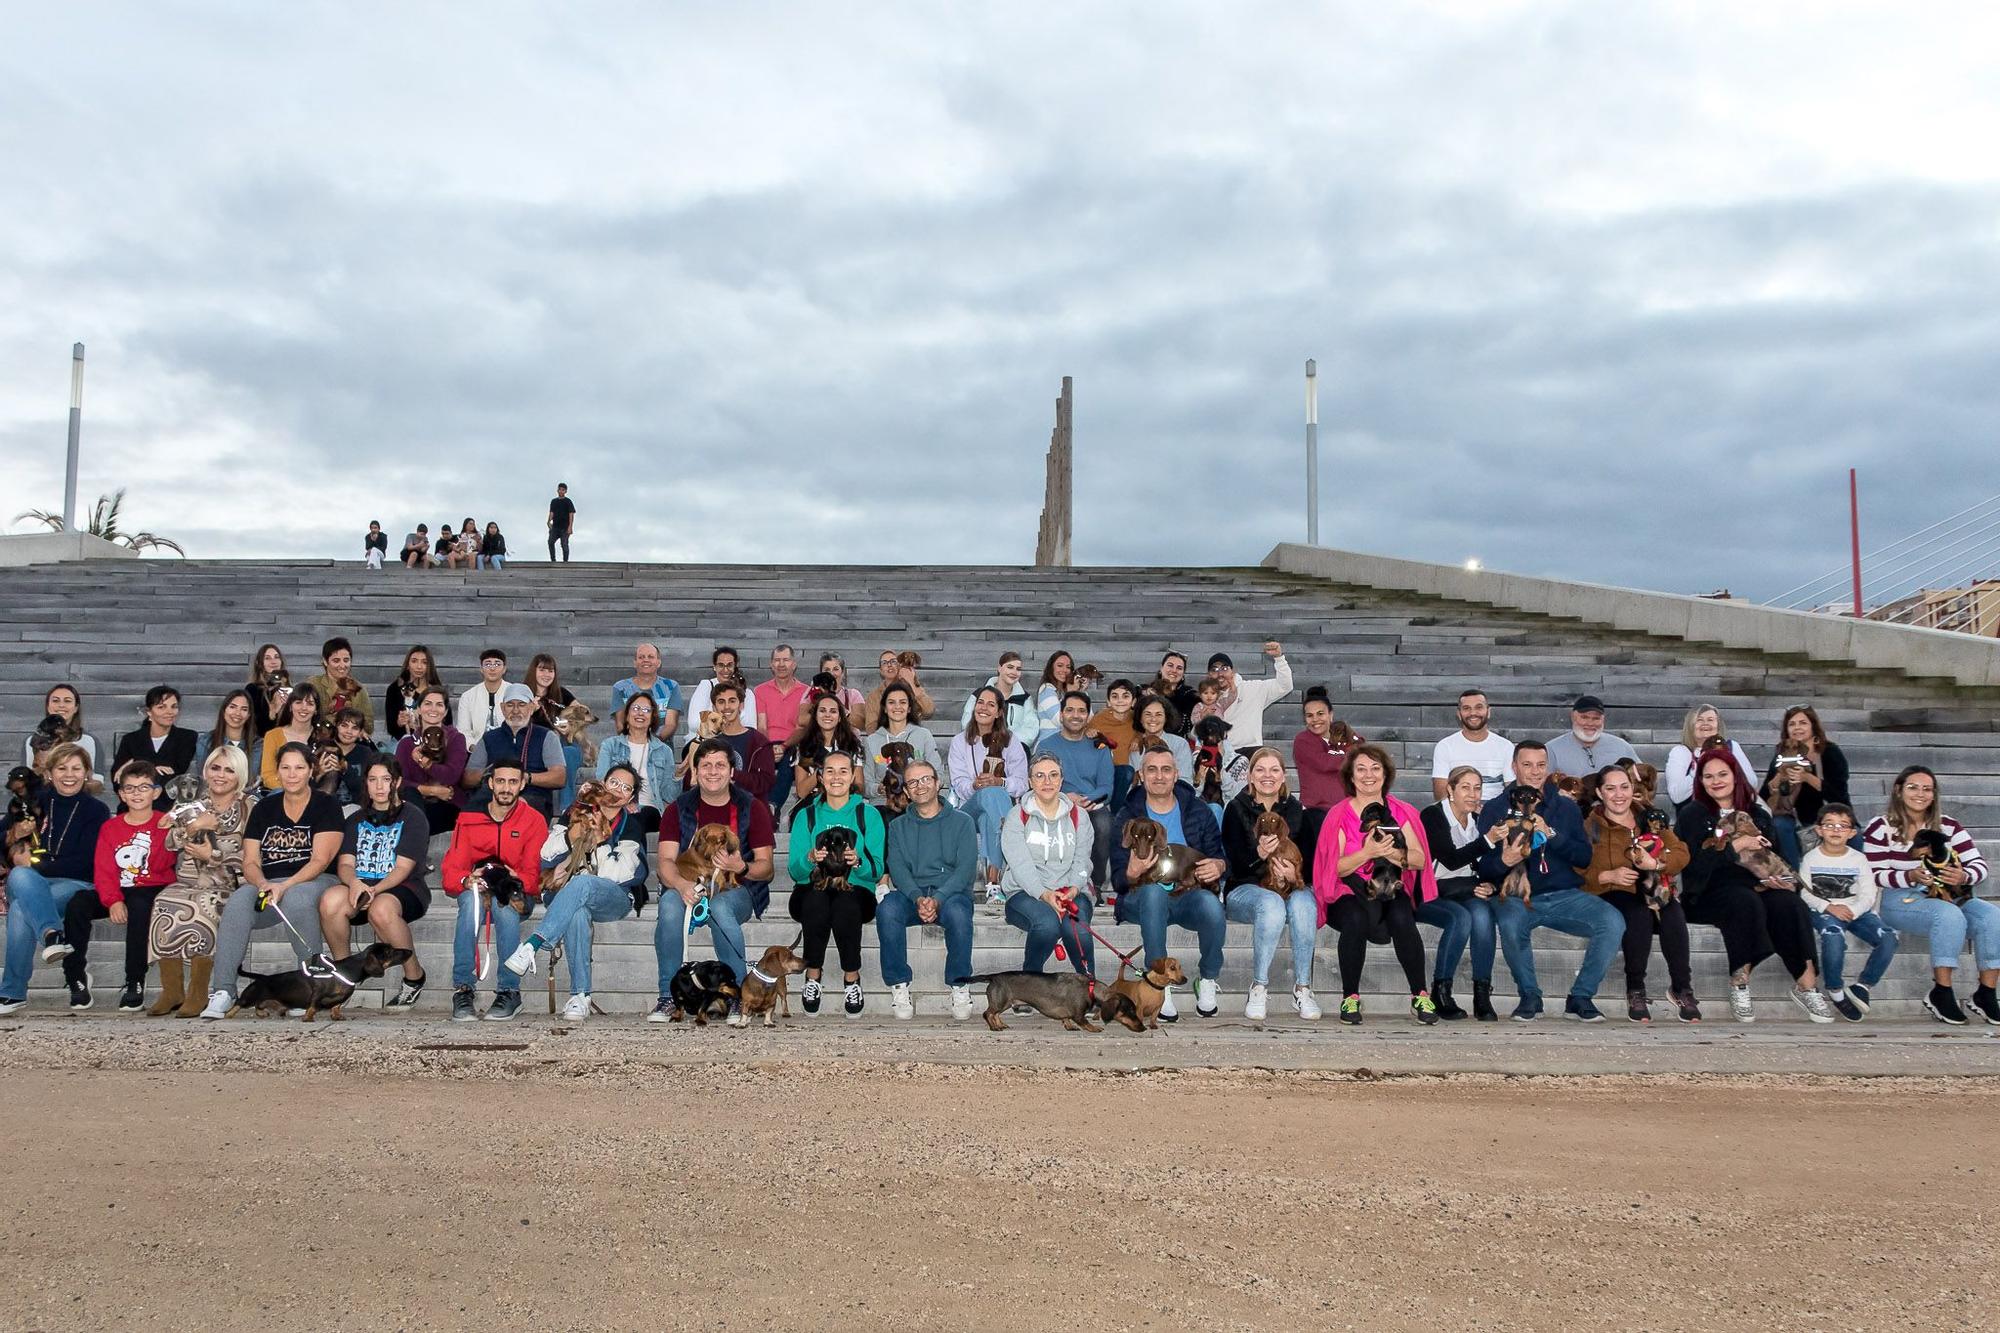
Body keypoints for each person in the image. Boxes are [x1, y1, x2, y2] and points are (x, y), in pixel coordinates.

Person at [1675, 749, 1835, 1023]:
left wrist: (1779, 880)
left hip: (1757, 884)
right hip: (1707, 891)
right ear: (1700, 781)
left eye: (1722, 774)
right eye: (1708, 776)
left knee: (1789, 904)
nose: (1716, 781)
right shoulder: (1693, 814)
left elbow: (1778, 855)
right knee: (1744, 902)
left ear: (1735, 776)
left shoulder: (1757, 812)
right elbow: (1692, 866)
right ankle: (1740, 982)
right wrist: (1737, 845)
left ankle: (1806, 985)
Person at [1474, 741, 1624, 1022]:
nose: (1534, 772)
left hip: (1564, 893)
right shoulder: (1495, 809)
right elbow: (1482, 868)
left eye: (1541, 765)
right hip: (1517, 896)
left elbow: (1583, 858)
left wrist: (1552, 834)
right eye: (1527, 765)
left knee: (1612, 920)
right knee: (1509, 922)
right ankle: (1530, 995)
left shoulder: (1566, 807)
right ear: (1514, 767)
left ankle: (1581, 997)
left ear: (1549, 768)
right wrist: (1503, 861)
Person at [198, 742, 345, 1019]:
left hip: (317, 880)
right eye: (285, 768)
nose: (292, 774)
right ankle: (223, 991)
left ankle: (310, 987)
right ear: (277, 771)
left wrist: (284, 886)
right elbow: (250, 861)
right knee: (240, 900)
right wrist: (264, 884)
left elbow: (320, 860)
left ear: (311, 770)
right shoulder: (264, 808)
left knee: (298, 899)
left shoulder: (327, 805)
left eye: (299, 768)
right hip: (271, 881)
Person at [502, 767, 649, 1020]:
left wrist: (597, 841)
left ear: (631, 797)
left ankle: (532, 945)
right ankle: (580, 996)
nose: (617, 790)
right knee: (578, 911)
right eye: (613, 782)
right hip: (570, 895)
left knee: (583, 884)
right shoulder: (574, 813)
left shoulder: (632, 824)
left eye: (626, 787)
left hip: (613, 897)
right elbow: (546, 854)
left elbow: (622, 873)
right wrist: (574, 837)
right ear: (602, 784)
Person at [1313, 743, 1440, 1026]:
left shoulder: (1403, 811)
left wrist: (1391, 853)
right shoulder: (1339, 814)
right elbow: (1335, 868)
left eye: (1375, 768)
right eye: (1361, 769)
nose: (1368, 775)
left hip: (1390, 888)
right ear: (1351, 776)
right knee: (1355, 918)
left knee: (1402, 915)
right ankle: (1350, 997)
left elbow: (1419, 859)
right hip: (1348, 890)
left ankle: (1420, 994)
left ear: (1385, 774)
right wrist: (1368, 853)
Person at [650, 740, 777, 1021]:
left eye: (720, 765)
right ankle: (668, 997)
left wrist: (740, 866)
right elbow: (665, 863)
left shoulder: (752, 807)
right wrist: (682, 886)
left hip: (738, 889)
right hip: (687, 885)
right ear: (695, 772)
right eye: (705, 765)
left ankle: (737, 997)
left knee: (720, 906)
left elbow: (766, 869)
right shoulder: (678, 808)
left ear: (732, 771)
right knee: (670, 904)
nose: (713, 771)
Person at [1864, 766, 1994, 1025]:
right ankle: (1941, 992)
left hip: (1948, 893)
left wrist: (1963, 876)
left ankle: (1986, 994)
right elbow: (1873, 873)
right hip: (1898, 898)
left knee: (1992, 916)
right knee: (1948, 914)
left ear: (1934, 795)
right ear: (1899, 790)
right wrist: (1910, 876)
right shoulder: (1881, 827)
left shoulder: (1949, 826)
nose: (1920, 794)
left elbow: (1980, 866)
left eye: (1927, 789)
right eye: (1913, 787)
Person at [1109, 744, 1228, 1020]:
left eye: (1166, 770)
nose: (1159, 776)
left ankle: (1208, 979)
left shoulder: (1198, 810)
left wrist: (1219, 866)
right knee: (1153, 894)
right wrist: (1132, 871)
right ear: (1142, 774)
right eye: (1152, 770)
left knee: (1211, 905)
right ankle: (1160, 985)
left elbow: (1219, 856)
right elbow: (1118, 881)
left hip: (1186, 896)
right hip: (1140, 900)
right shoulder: (1126, 816)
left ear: (1176, 775)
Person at [0, 746, 111, 1013]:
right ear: (49, 773)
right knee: (22, 876)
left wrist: (37, 866)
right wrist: (14, 832)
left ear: (86, 773)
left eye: (76, 768)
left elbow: (85, 862)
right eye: (61, 768)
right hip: (31, 882)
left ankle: (13, 992)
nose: (69, 775)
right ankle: (52, 934)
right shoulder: (34, 802)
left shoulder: (96, 810)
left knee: (19, 905)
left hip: (76, 882)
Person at [1581, 764, 1695, 1023]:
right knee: (1637, 913)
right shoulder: (1589, 826)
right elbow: (1576, 867)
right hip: (1614, 892)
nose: (1618, 794)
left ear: (1633, 789)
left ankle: (1682, 988)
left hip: (1652, 888)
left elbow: (1681, 852)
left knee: (1674, 912)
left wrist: (1656, 864)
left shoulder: (1650, 819)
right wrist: (1605, 876)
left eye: (1624, 787)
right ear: (1600, 792)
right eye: (1610, 788)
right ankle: (1635, 989)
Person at [145, 745, 252, 1016]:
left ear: (239, 775)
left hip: (227, 882)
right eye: (215, 768)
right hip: (188, 879)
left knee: (202, 907)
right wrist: (194, 826)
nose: (220, 775)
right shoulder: (191, 801)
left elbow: (251, 854)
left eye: (229, 770)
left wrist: (213, 854)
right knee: (164, 900)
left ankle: (199, 991)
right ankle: (172, 991)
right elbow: (170, 842)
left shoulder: (249, 807)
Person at [316, 756, 431, 1007]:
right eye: (373, 780)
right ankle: (344, 973)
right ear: (365, 784)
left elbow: (403, 867)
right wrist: (356, 884)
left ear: (397, 782)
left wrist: (374, 890)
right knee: (330, 901)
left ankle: (414, 977)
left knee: (381, 909)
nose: (379, 787)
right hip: (362, 884)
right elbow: (345, 864)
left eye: (386, 779)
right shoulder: (356, 820)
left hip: (403, 888)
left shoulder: (413, 817)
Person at [439, 757, 547, 1022]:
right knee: (469, 903)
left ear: (522, 784)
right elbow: (452, 869)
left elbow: (534, 877)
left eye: (513, 781)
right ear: (490, 783)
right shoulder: (468, 818)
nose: (506, 788)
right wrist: (466, 880)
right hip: (480, 886)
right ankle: (463, 989)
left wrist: (515, 876)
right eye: (500, 781)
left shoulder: (534, 820)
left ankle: (509, 990)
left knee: (506, 908)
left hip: (516, 890)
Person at [1219, 747, 1322, 1020]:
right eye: (1260, 770)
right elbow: (1233, 864)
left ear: (1283, 776)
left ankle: (1303, 988)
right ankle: (1259, 985)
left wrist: (1295, 875)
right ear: (1250, 776)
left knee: (1304, 904)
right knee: (1271, 903)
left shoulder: (1296, 809)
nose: (1268, 776)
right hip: (1245, 888)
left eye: (1274, 770)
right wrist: (1259, 855)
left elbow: (1311, 861)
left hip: (1290, 886)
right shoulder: (1235, 808)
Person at [787, 750, 886, 1016]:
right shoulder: (805, 815)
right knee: (817, 900)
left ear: (853, 775)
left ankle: (851, 979)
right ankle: (813, 976)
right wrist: (810, 859)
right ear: (820, 776)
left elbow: (877, 869)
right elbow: (795, 871)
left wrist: (859, 862)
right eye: (830, 771)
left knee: (845, 903)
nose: (836, 777)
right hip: (811, 889)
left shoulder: (869, 815)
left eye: (843, 771)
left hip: (857, 890)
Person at [879, 760, 977, 1020]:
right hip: (913, 894)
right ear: (907, 792)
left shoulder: (963, 822)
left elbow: (965, 869)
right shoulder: (898, 827)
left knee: (958, 914)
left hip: (951, 893)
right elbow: (897, 869)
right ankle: (899, 984)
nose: (920, 786)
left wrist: (939, 898)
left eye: (925, 779)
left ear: (937, 782)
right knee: (887, 908)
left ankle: (959, 983)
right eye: (912, 782)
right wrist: (919, 897)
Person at [1000, 753, 1098, 979]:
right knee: (1047, 924)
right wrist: (1044, 894)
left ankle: (1089, 986)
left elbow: (1083, 860)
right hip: (1025, 893)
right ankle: (1029, 986)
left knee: (1077, 929)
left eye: (1053, 775)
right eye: (1040, 776)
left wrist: (1073, 888)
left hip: (1072, 892)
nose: (1047, 782)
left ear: (1061, 780)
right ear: (1030, 782)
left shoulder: (1079, 816)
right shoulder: (1018, 816)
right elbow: (1019, 864)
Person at [1800, 802, 1895, 1023]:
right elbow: (1805, 893)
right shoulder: (1811, 858)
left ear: (1852, 832)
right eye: (1829, 825)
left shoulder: (1858, 859)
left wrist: (1853, 910)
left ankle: (1862, 986)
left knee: (1888, 937)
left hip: (1856, 910)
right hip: (1824, 910)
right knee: (1833, 936)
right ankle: (1835, 990)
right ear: (1819, 830)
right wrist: (1829, 907)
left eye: (1843, 826)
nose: (1835, 830)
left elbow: (1869, 893)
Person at [1419, 766, 1502, 1021]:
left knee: (1483, 915)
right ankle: (1440, 992)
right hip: (1430, 892)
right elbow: (1451, 859)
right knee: (1461, 918)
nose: (1473, 794)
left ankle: (1482, 994)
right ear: (1450, 790)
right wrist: (1487, 840)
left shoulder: (1479, 819)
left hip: (1464, 890)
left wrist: (1492, 885)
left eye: (1477, 788)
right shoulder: (1433, 815)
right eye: (1465, 787)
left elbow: (1491, 864)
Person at [949, 686, 1028, 896]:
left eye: (991, 704)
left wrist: (999, 782)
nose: (983, 708)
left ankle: (993, 882)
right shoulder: (959, 742)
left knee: (988, 815)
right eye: (980, 702)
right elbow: (958, 784)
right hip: (968, 809)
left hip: (996, 809)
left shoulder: (1011, 741)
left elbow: (1022, 783)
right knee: (989, 794)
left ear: (999, 712)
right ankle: (1008, 853)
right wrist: (976, 785)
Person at [1033, 691, 1113, 889]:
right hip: (1054, 802)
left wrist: (1084, 799)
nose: (1075, 715)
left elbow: (1106, 787)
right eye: (1069, 710)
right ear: (1061, 715)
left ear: (1088, 716)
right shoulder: (1046, 746)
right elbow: (1039, 781)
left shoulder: (1100, 747)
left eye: (1081, 711)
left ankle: (1095, 883)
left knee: (1103, 824)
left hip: (1091, 804)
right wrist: (1064, 798)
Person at [1761, 705, 1850, 868]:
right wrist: (1777, 781)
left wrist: (1807, 777)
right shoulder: (1783, 754)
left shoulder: (1830, 752)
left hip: (1825, 815)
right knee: (1779, 825)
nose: (1797, 728)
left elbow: (1839, 795)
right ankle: (1794, 877)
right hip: (1791, 815)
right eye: (1792, 724)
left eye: (1803, 723)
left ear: (1813, 726)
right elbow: (1764, 795)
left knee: (1854, 836)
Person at [463, 684, 567, 819]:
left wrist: (526, 777)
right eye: (510, 705)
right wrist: (491, 774)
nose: (516, 710)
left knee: (519, 807)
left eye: (522, 704)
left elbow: (559, 777)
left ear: (531, 708)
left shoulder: (546, 736)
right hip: (493, 796)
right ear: (502, 708)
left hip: (533, 797)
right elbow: (467, 778)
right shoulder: (489, 738)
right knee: (470, 812)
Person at [596, 693, 675, 834]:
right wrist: (624, 803)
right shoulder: (610, 745)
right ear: (626, 715)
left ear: (653, 717)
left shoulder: (664, 751)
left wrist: (682, 774)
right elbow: (602, 781)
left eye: (646, 710)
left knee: (638, 817)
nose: (640, 713)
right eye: (635, 708)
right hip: (615, 805)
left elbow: (669, 795)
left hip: (650, 810)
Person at [862, 681, 948, 807]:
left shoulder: (923, 735)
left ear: (909, 708)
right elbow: (865, 782)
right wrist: (879, 789)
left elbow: (938, 775)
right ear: (885, 708)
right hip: (884, 804)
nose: (897, 707)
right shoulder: (872, 740)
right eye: (891, 702)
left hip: (918, 803)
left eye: (902, 702)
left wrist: (922, 786)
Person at [395, 686, 468, 834]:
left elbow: (451, 776)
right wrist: (432, 790)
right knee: (409, 798)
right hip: (416, 803)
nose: (433, 709)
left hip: (448, 805)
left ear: (446, 711)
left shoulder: (456, 739)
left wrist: (425, 763)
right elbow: (400, 781)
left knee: (413, 819)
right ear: (419, 709)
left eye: (439, 704)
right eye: (428, 703)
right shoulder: (406, 744)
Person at [111, 685, 197, 809]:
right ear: (149, 711)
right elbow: (118, 781)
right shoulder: (131, 739)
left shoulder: (186, 737)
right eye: (162, 707)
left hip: (167, 810)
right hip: (131, 810)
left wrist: (134, 764)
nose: (169, 712)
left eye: (174, 706)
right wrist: (155, 768)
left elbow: (175, 774)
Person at [1664, 705, 1757, 809]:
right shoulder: (1680, 752)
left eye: (1710, 720)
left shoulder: (1732, 746)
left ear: (1718, 725)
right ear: (1690, 725)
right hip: (1696, 815)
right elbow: (1676, 796)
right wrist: (1701, 765)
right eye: (1699, 720)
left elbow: (1751, 782)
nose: (1705, 724)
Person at [752, 644, 808, 813]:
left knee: (791, 759)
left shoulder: (806, 692)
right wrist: (769, 747)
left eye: (786, 660)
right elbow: (761, 725)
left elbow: (801, 728)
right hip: (767, 741)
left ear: (794, 664)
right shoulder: (760, 690)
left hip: (793, 742)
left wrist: (783, 747)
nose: (781, 664)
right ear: (771, 664)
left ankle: (772, 806)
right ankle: (762, 808)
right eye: (777, 660)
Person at [1206, 642, 1292, 751]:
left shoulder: (1252, 688)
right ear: (1208, 675)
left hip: (1250, 751)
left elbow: (1284, 686)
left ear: (1232, 671)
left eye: (1224, 668)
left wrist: (1279, 658)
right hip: (1221, 755)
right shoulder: (1206, 700)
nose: (1220, 674)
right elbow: (1195, 734)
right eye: (1214, 670)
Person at [1431, 688, 1513, 802]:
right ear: (1459, 714)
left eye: (1479, 707)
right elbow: (1441, 795)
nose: (1473, 713)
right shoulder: (1445, 746)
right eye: (1466, 708)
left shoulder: (1506, 747)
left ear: (1488, 711)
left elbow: (1511, 790)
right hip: (1458, 813)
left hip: (1495, 814)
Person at [791, 690, 866, 808]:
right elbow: (801, 791)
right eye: (822, 711)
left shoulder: (852, 745)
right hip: (813, 803)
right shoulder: (804, 747)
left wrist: (840, 781)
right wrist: (821, 771)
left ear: (840, 717)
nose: (827, 715)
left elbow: (860, 787)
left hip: (845, 802)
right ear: (815, 716)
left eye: (833, 711)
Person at [703, 680, 775, 802]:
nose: (727, 707)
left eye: (732, 701)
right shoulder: (708, 743)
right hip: (716, 808)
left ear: (741, 705)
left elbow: (765, 783)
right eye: (721, 702)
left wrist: (732, 773)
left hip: (749, 810)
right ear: (714, 707)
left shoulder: (759, 743)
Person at [526, 653, 580, 810]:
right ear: (533, 671)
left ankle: (566, 809)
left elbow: (581, 715)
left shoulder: (561, 693)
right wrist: (528, 711)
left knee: (569, 753)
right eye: (542, 670)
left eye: (550, 671)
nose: (546, 675)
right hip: (535, 745)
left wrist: (570, 726)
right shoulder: (523, 693)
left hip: (564, 743)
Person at [1543, 695, 1638, 777]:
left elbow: (1643, 779)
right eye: (1584, 717)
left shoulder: (1622, 747)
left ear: (1603, 720)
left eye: (1596, 718)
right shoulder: (1552, 749)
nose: (1590, 723)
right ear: (1573, 717)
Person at [958, 651, 1039, 747]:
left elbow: (1031, 728)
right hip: (982, 746)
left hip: (1014, 748)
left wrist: (1007, 741)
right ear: (999, 668)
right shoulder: (979, 695)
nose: (1014, 672)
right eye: (1010, 667)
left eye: (1018, 669)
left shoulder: (1024, 698)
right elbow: (967, 721)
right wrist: (987, 739)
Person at [608, 643, 682, 742]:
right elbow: (620, 725)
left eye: (650, 657)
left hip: (661, 747)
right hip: (629, 746)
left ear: (659, 662)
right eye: (641, 657)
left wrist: (651, 744)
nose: (646, 660)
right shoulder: (620, 688)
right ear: (635, 662)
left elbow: (670, 724)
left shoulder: (671, 687)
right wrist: (637, 744)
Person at [191, 688, 262, 789]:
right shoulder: (206, 740)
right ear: (224, 710)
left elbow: (250, 778)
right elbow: (204, 776)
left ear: (249, 715)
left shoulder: (258, 744)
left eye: (244, 709)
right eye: (233, 707)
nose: (237, 713)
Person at [1088, 679, 1140, 812]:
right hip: (1102, 771)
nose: (1120, 700)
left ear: (1133, 701)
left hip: (1123, 771)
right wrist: (1090, 732)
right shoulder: (1100, 718)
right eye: (1115, 696)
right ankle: (1114, 812)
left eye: (1126, 696)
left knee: (1127, 772)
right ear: (1108, 701)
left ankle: (1115, 812)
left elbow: (1143, 732)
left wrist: (1138, 739)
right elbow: (1087, 734)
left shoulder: (1136, 719)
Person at [303, 637, 373, 735]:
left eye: (346, 660)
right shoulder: (313, 684)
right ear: (325, 661)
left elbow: (369, 726)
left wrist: (355, 726)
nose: (342, 665)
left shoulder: (359, 689)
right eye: (336, 661)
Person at [23, 683, 98, 772]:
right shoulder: (32, 741)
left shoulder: (87, 740)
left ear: (76, 708)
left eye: (67, 701)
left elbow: (94, 777)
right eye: (55, 701)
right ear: (48, 706)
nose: (61, 705)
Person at [684, 645, 760, 732]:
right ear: (714, 666)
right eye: (721, 665)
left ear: (735, 666)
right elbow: (694, 723)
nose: (725, 670)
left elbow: (750, 728)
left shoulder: (747, 693)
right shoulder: (706, 686)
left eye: (729, 665)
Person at [259, 687, 322, 791]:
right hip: (281, 793)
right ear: (290, 707)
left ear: (316, 710)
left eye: (310, 704)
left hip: (314, 793)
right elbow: (268, 775)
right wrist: (292, 791)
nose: (304, 708)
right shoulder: (273, 735)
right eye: (298, 702)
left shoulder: (322, 736)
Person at [311, 709, 377, 807]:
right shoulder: (322, 748)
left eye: (355, 728)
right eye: (344, 726)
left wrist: (345, 770)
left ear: (360, 732)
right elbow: (305, 787)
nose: (349, 732)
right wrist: (319, 774)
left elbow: (366, 790)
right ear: (336, 726)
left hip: (355, 808)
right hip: (324, 808)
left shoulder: (365, 753)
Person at [384, 645, 447, 742]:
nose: (419, 666)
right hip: (403, 742)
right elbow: (391, 727)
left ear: (429, 666)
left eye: (424, 662)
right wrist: (399, 722)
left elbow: (448, 723)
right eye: (414, 661)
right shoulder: (395, 689)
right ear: (407, 665)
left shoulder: (438, 691)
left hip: (434, 742)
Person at [862, 649, 935, 730]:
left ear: (899, 666)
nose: (889, 665)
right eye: (884, 663)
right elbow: (870, 727)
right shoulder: (873, 697)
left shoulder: (911, 688)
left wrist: (912, 683)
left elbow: (929, 710)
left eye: (893, 661)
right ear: (881, 671)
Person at [1132, 695, 1193, 784]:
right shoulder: (1135, 745)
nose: (1153, 719)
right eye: (1148, 714)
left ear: (1166, 718)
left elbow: (1185, 781)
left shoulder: (1179, 744)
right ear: (1140, 718)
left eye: (1159, 714)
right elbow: (1131, 784)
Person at [456, 647, 515, 739]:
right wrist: (474, 748)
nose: (492, 668)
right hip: (477, 747)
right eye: (487, 664)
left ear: (504, 669)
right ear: (481, 669)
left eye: (497, 664)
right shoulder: (468, 696)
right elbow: (463, 730)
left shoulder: (514, 692)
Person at [1142, 652, 1200, 737]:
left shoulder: (1190, 695)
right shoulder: (1145, 690)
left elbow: (1185, 726)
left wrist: (1162, 699)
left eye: (1179, 668)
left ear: (1183, 674)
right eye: (1170, 665)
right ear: (1161, 668)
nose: (1174, 670)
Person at [245, 644, 291, 739]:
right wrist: (272, 712)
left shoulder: (290, 690)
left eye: (276, 657)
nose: (273, 661)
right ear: (260, 663)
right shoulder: (253, 689)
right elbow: (253, 725)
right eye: (267, 658)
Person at [1033, 651, 1076, 733]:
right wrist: (1072, 693)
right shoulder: (1046, 689)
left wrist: (1082, 692)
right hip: (1049, 741)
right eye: (1060, 666)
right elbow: (1060, 720)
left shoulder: (1066, 691)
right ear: (1051, 667)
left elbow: (1089, 719)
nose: (1064, 670)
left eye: (1068, 667)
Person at [546, 482, 575, 561]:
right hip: (555, 527)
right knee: (550, 542)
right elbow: (552, 513)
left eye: (563, 490)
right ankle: (553, 560)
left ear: (565, 491)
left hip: (565, 527)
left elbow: (571, 514)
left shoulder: (568, 501)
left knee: (564, 544)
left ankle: (565, 562)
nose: (561, 491)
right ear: (557, 490)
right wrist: (548, 521)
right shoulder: (554, 501)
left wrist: (570, 527)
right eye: (560, 490)